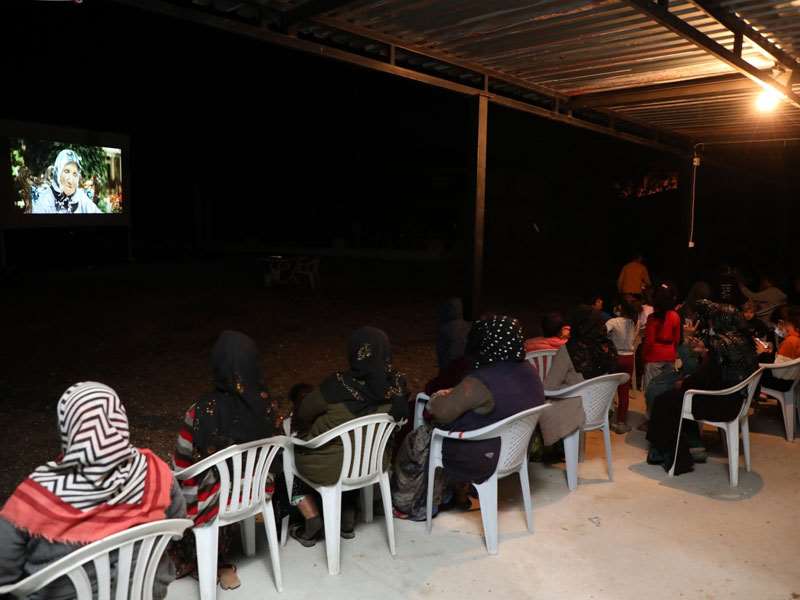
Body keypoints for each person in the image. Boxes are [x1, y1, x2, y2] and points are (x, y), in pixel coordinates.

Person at [0, 382, 185, 600]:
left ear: (67, 427)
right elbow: (178, 522)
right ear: (120, 420)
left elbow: (4, 572)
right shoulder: (154, 470)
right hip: (145, 591)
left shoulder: (36, 496)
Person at [392, 316, 544, 521]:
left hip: (481, 456)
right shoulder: (529, 371)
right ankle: (446, 495)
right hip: (513, 450)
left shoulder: (484, 379)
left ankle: (415, 502)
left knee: (419, 438)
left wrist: (440, 396)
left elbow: (440, 411)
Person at [172, 330, 277, 590]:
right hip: (256, 489)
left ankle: (201, 560)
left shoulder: (200, 410)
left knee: (174, 485)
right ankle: (219, 561)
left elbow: (182, 466)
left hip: (216, 498)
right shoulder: (268, 405)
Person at [289, 326, 408, 545]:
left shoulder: (336, 386)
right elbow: (401, 417)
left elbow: (304, 411)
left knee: (290, 453)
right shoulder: (397, 385)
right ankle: (347, 516)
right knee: (351, 449)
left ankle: (311, 515)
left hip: (331, 467)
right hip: (373, 463)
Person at [646, 301, 759, 474]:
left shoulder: (720, 344)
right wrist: (705, 354)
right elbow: (723, 370)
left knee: (665, 399)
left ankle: (666, 453)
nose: (712, 323)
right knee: (677, 396)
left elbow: (703, 378)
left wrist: (684, 383)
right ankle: (692, 444)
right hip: (737, 400)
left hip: (720, 404)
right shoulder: (745, 341)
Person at [540, 307, 618, 448]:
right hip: (602, 408)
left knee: (537, 408)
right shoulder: (609, 347)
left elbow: (548, 387)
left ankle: (550, 451)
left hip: (578, 409)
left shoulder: (570, 349)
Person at [31, 149, 102, 214]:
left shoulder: (80, 196)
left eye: (75, 174)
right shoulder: (44, 199)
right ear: (57, 172)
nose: (71, 181)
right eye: (66, 171)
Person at [606, 299, 639, 433]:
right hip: (629, 358)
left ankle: (605, 420)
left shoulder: (613, 322)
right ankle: (621, 422)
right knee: (624, 391)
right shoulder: (634, 322)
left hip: (616, 357)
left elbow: (602, 332)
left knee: (608, 390)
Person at [641, 283, 681, 393]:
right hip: (669, 355)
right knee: (666, 391)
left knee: (651, 391)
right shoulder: (675, 316)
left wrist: (643, 356)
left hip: (654, 356)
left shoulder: (653, 318)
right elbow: (677, 339)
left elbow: (649, 341)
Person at [758, 307, 800, 392]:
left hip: (780, 382)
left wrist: (763, 353)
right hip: (789, 380)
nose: (776, 330)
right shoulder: (796, 338)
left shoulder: (790, 341)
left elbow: (777, 372)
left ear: (780, 323)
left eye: (775, 327)